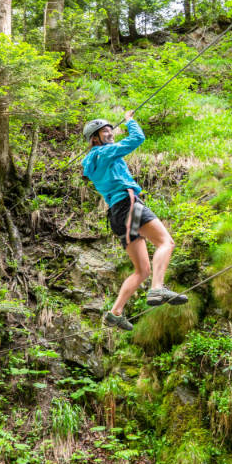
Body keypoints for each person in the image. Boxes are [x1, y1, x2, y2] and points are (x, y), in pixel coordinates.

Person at [82, 110, 187, 332]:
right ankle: (157, 288)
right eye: (104, 131)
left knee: (142, 271)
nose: (110, 133)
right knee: (165, 243)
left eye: (111, 129)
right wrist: (130, 121)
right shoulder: (105, 152)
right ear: (94, 139)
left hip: (117, 216)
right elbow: (137, 139)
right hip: (129, 206)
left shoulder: (93, 161)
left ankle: (115, 313)